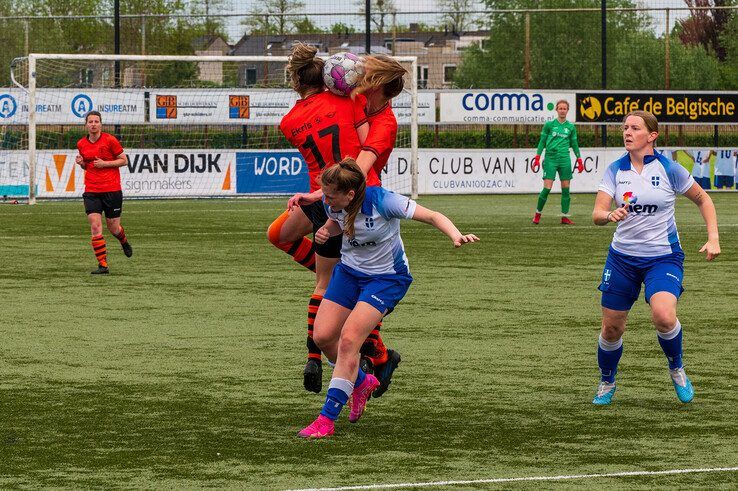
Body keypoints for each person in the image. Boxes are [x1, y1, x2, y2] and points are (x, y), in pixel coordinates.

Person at [298, 159, 479, 438]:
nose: (326, 199)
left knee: (348, 340)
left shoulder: (384, 201)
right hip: (348, 273)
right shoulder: (331, 202)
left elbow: (432, 216)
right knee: (323, 337)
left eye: (330, 195)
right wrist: (327, 230)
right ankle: (361, 381)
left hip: (386, 279)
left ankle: (326, 419)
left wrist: (456, 235)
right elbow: (338, 221)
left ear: (350, 194)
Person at [270, 43, 394, 395]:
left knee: (292, 248)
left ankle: (316, 355)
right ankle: (348, 304)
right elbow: (367, 141)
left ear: (296, 81)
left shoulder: (288, 122)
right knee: (286, 242)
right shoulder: (347, 101)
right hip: (345, 194)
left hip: (324, 196)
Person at [591, 110, 720, 406]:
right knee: (612, 327)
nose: (627, 132)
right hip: (621, 259)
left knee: (663, 315)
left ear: (651, 136)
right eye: (625, 127)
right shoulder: (615, 170)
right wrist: (608, 215)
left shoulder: (669, 168)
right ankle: (607, 379)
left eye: (634, 128)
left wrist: (713, 237)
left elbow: (704, 199)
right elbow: (597, 213)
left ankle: (677, 368)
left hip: (663, 258)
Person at [75, 111, 132, 274]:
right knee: (95, 226)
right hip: (92, 190)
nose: (93, 124)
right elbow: (88, 165)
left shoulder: (110, 140)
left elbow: (124, 160)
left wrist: (105, 164)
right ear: (86, 124)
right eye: (90, 121)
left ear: (101, 124)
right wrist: (81, 164)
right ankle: (103, 265)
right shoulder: (81, 144)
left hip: (112, 190)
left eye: (96, 121)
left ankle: (123, 241)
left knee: (114, 228)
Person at [531, 100, 583, 225]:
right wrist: (537, 158)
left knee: (566, 189)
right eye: (560, 108)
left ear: (567, 110)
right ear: (556, 109)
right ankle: (537, 214)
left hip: (565, 159)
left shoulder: (570, 127)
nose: (562, 110)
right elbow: (542, 142)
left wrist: (579, 159)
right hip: (550, 159)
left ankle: (564, 217)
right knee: (547, 188)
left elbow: (574, 144)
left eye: (564, 108)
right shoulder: (549, 125)